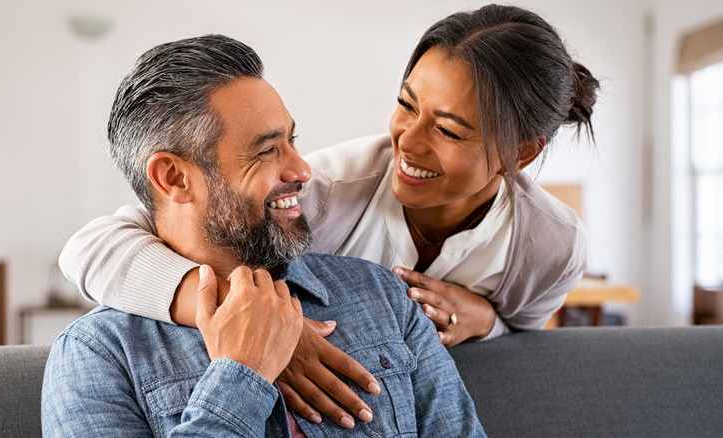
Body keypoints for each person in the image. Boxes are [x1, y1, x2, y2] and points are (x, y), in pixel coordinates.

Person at [59, 3, 598, 428]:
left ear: (520, 154)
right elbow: (99, 244)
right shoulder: (325, 191)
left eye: (449, 130)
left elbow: (521, 336)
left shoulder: (551, 245)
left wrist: (487, 320)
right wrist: (254, 322)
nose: (407, 142)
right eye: (406, 104)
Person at [41, 34, 485, 437]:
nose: (302, 170)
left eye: (292, 141)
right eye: (267, 150)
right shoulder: (98, 354)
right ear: (174, 178)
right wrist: (241, 374)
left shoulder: (383, 296)